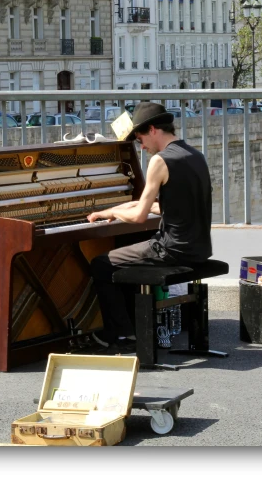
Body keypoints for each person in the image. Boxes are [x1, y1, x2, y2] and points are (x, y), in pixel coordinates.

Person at [87, 102, 213, 353]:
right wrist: (128, 205)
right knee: (127, 256)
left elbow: (141, 216)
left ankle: (122, 334)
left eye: (140, 139)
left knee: (101, 264)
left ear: (153, 129)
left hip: (171, 249)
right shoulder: (195, 155)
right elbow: (168, 207)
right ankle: (132, 327)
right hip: (199, 248)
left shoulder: (160, 160)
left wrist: (110, 212)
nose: (141, 147)